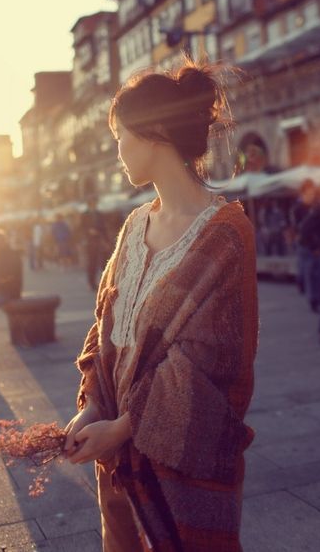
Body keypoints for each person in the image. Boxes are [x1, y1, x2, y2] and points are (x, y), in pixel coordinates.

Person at [63, 61, 258, 551]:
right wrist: (91, 407)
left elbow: (206, 363)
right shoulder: (133, 225)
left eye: (121, 138)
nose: (118, 153)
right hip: (116, 452)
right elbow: (105, 322)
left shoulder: (225, 235)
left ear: (152, 136)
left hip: (179, 460)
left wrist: (123, 428)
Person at [80, 197, 109, 290]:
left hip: (100, 240)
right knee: (92, 262)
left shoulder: (99, 214)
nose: (95, 204)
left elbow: (104, 228)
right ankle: (91, 283)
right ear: (89, 203)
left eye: (95, 202)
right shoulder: (84, 215)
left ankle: (104, 283)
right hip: (90, 241)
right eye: (93, 202)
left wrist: (106, 241)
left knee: (103, 262)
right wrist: (88, 231)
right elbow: (80, 227)